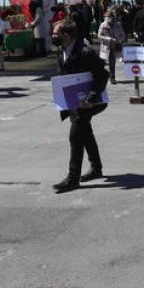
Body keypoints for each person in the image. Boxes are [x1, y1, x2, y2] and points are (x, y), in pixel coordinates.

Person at [52, 19, 109, 193]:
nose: (53, 36)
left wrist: (90, 98)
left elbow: (103, 75)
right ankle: (96, 168)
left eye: (56, 33)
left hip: (90, 102)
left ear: (67, 35)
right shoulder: (61, 50)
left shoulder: (86, 53)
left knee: (76, 136)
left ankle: (73, 178)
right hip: (74, 102)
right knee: (85, 133)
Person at [98, 9, 127, 84]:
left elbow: (123, 35)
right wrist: (109, 39)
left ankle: (112, 77)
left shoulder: (118, 24)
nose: (107, 18)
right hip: (106, 46)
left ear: (113, 17)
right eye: (106, 17)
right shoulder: (103, 25)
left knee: (112, 62)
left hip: (114, 46)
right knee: (101, 63)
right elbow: (99, 36)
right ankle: (101, 76)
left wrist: (119, 40)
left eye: (108, 17)